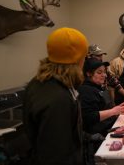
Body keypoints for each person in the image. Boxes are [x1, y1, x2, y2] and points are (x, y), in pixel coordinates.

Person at [23, 27, 89, 165]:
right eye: (85, 56)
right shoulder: (59, 98)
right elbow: (56, 155)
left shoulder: (38, 83)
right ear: (77, 60)